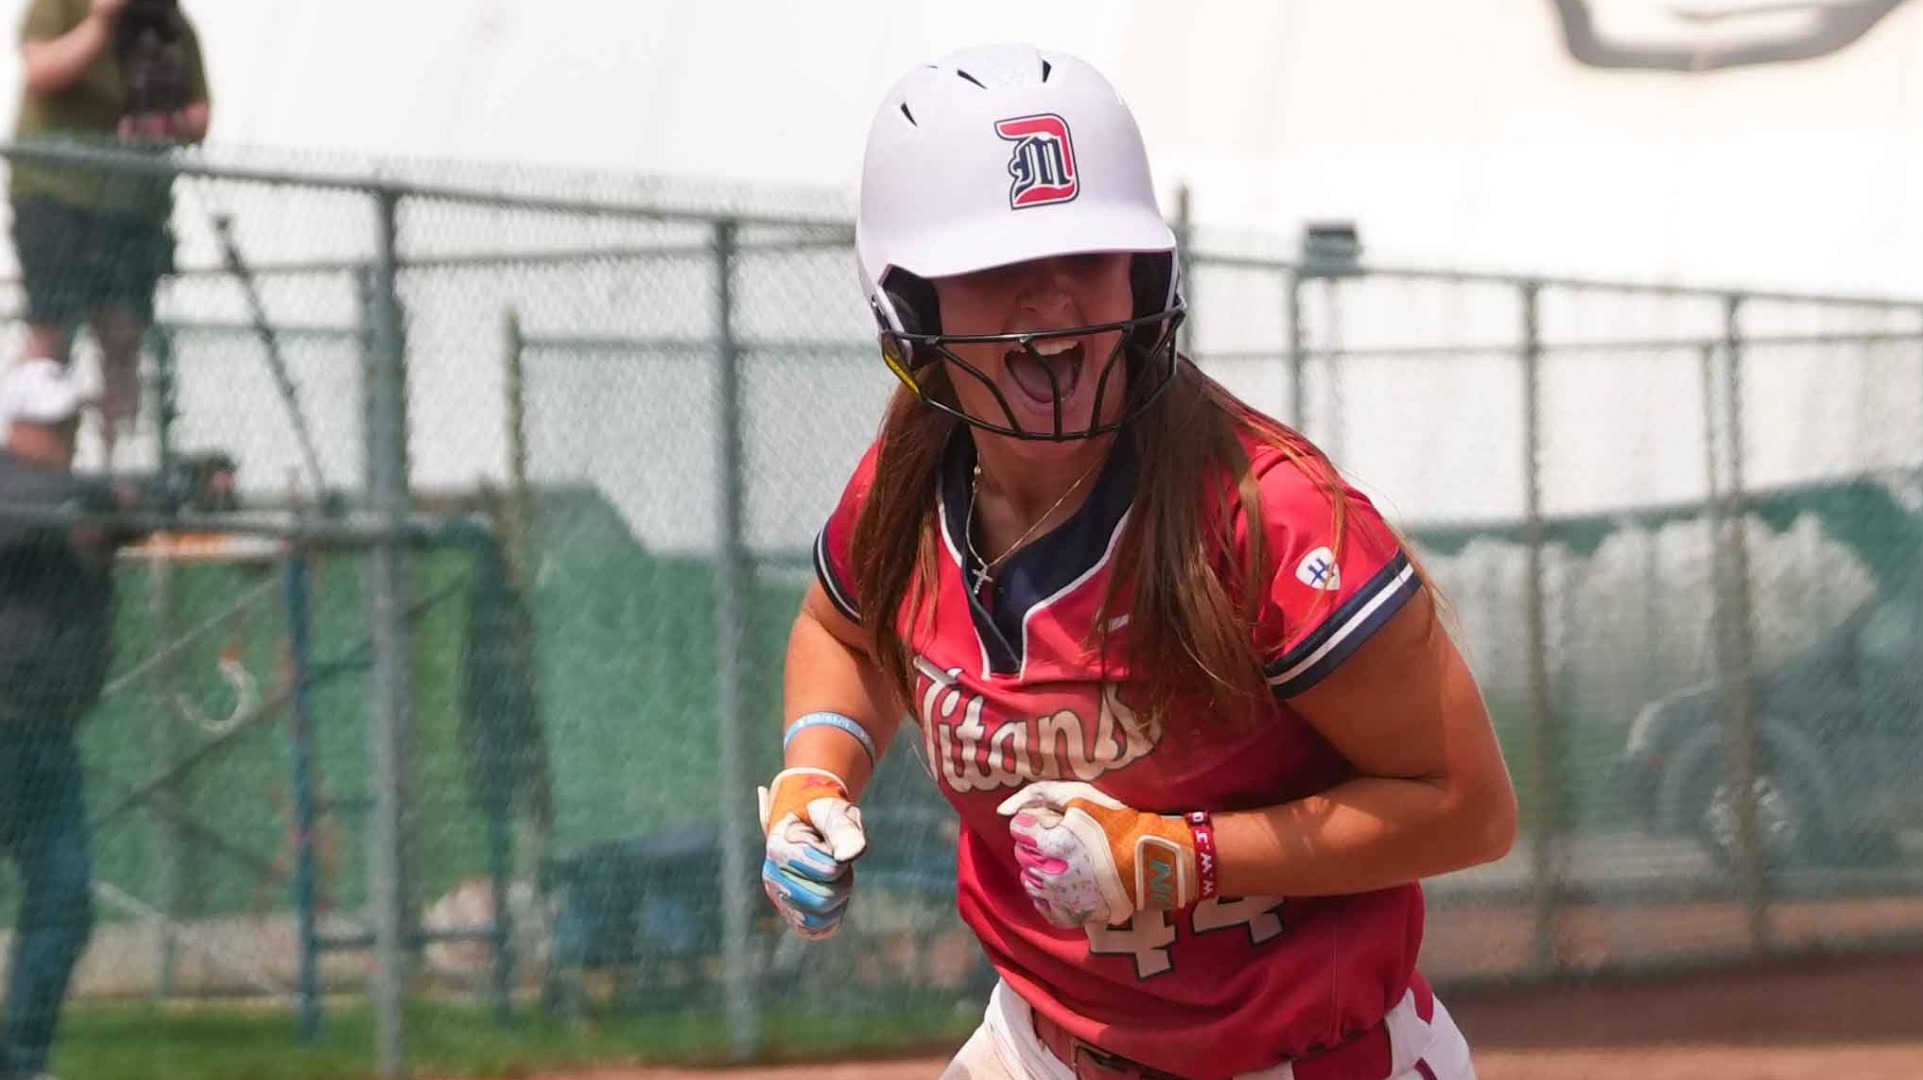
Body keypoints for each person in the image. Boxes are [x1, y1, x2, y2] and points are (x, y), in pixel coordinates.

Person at [758, 45, 1519, 1080]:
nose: (1057, 304)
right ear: (913, 304)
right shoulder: (910, 477)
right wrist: (817, 770)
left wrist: (1185, 858)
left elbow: (1468, 805)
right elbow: (841, 628)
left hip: (1303, 1059)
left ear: (1147, 272)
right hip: (1037, 1048)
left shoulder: (1266, 517)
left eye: (1090, 253)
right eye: (996, 268)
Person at [11, 0, 212, 460]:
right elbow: (40, 70)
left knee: (123, 337)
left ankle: (117, 465)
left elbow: (201, 113)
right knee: (50, 333)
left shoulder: (171, 25)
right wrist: (103, 21)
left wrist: (168, 125)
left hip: (133, 207)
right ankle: (31, 470)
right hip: (56, 196)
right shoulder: (62, 5)